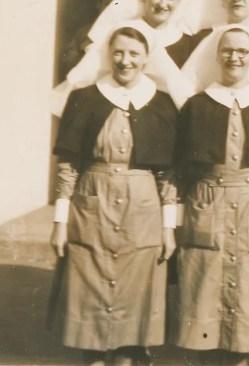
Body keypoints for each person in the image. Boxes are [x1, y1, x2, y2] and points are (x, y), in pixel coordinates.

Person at [49, 23, 182, 366]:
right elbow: (68, 166)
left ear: (147, 58)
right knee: (88, 301)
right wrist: (60, 222)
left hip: (143, 213)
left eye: (134, 53)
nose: (125, 61)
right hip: (90, 209)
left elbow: (168, 175)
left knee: (133, 305)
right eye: (118, 52)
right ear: (108, 55)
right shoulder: (84, 98)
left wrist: (168, 228)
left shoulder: (162, 104)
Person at [171, 25, 249, 366]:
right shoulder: (197, 105)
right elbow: (179, 171)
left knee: (247, 301)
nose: (234, 57)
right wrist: (177, 222)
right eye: (227, 50)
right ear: (216, 56)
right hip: (206, 203)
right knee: (204, 297)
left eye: (242, 51)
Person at [50, 0, 198, 115]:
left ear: (179, 1)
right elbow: (88, 75)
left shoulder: (186, 42)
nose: (162, 4)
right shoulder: (121, 32)